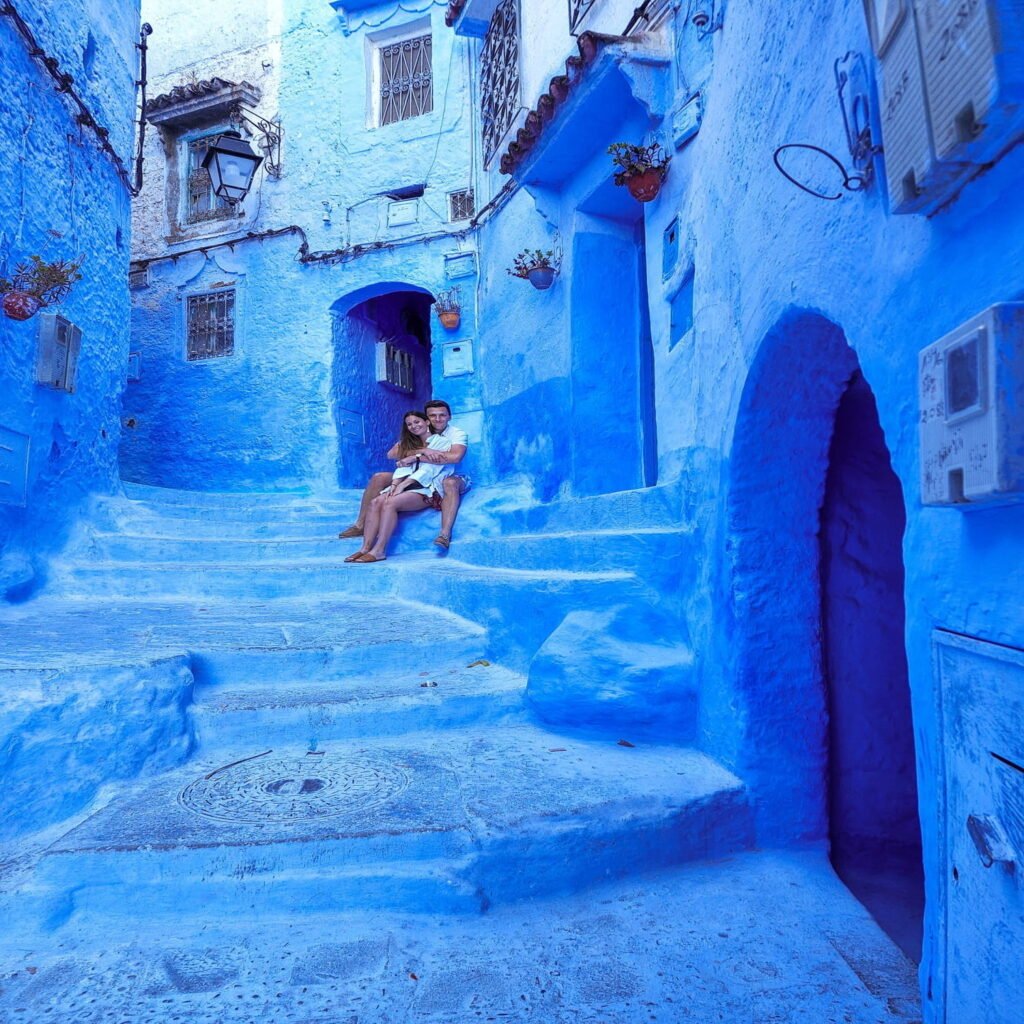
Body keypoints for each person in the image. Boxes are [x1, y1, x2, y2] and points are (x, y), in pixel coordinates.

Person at [338, 399, 470, 550]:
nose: (437, 419)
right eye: (433, 416)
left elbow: (455, 457)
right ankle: (360, 524)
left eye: (442, 415)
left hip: (444, 475)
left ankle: (444, 534)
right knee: (378, 477)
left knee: (450, 483)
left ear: (449, 417)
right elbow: (392, 454)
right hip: (415, 474)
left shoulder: (456, 434)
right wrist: (421, 451)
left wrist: (415, 457)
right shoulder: (419, 429)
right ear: (427, 418)